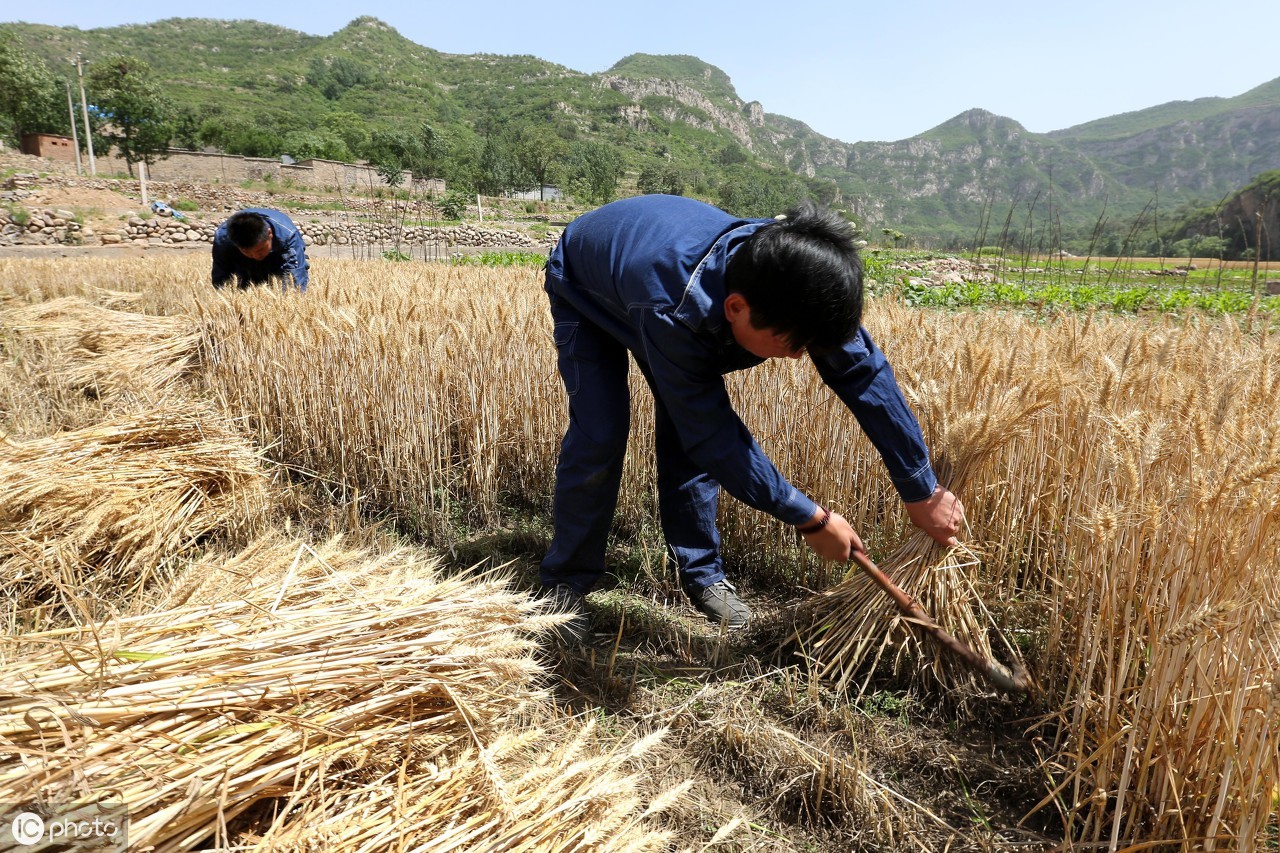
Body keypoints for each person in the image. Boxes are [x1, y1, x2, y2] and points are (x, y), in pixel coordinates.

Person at [540, 194, 964, 641]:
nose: (801, 356)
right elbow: (711, 433)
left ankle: (703, 576)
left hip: (647, 276)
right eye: (791, 344)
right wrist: (810, 518)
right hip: (587, 285)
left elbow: (863, 374)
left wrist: (921, 487)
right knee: (600, 433)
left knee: (685, 442)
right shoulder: (675, 308)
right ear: (736, 308)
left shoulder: (801, 282)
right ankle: (566, 583)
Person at [211, 208, 310, 291]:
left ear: (269, 233)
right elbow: (221, 277)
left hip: (277, 260)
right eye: (247, 251)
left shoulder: (288, 235)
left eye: (260, 250)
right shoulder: (223, 238)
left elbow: (295, 278)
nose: (255, 256)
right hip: (243, 265)